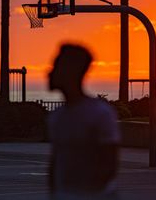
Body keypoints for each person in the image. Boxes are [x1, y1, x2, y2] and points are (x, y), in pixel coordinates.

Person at [47, 44, 121, 199]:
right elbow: (55, 162)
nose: (50, 72)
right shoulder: (56, 117)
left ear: (72, 72)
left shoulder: (100, 114)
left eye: (56, 66)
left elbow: (109, 165)